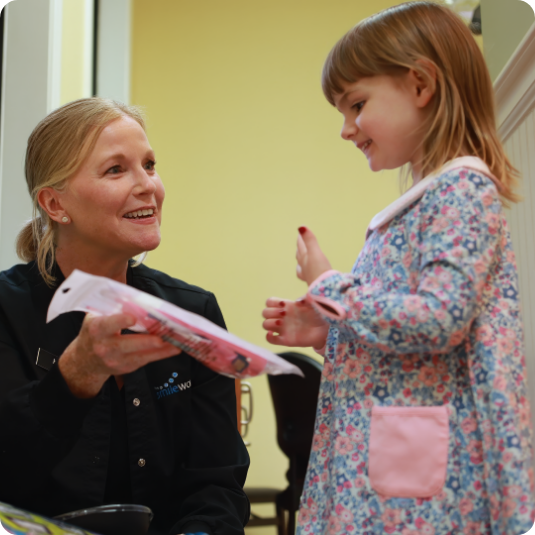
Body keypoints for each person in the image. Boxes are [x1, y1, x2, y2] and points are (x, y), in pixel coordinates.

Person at [262, 2, 535, 534]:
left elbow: (438, 319)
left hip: (427, 479)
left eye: (356, 104)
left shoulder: (462, 190)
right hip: (399, 453)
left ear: (420, 84)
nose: (346, 129)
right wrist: (329, 325)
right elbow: (404, 332)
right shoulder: (424, 202)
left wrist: (330, 284)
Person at [0, 98, 250, 535]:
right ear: (55, 204)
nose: (148, 186)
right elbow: (11, 472)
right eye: (116, 170)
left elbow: (217, 487)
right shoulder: (6, 310)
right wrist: (75, 375)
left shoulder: (193, 311)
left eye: (149, 165)